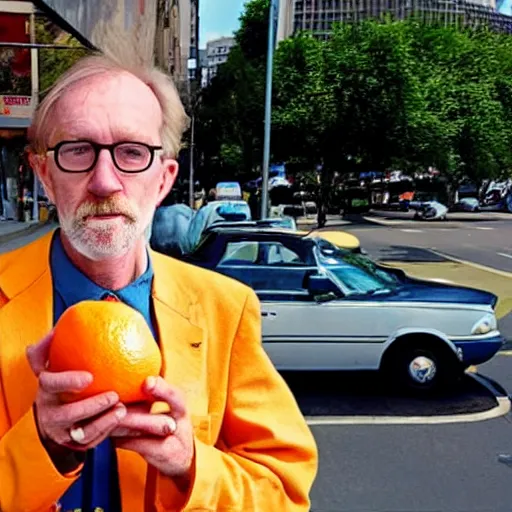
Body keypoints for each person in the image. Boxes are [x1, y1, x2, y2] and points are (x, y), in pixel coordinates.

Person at [0, 50, 318, 512]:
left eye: (132, 152)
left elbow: (284, 494)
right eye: (77, 151)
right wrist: (42, 447)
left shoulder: (224, 310)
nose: (105, 181)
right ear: (44, 175)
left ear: (164, 178)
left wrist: (190, 464)